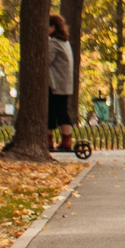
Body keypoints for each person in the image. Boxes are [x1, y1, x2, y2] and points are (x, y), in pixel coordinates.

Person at [47, 14, 78, 152]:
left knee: (51, 112)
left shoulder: (53, 43)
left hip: (55, 83)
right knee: (62, 111)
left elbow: (46, 60)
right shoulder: (64, 42)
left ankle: (49, 140)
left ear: (53, 27)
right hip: (64, 84)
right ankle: (66, 140)